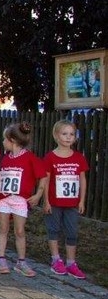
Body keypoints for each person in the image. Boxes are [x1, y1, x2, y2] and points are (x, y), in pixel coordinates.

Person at [0, 122, 46, 276]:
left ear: (12, 140)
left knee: (19, 230)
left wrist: (38, 194)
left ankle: (21, 261)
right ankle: (1, 258)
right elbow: (1, 178)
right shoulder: (6, 158)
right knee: (3, 228)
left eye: (4, 139)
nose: (2, 142)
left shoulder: (30, 158)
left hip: (20, 199)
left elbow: (43, 176)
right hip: (3, 199)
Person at [42, 120, 89, 279]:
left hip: (72, 203)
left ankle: (71, 262)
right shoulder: (50, 157)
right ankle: (56, 259)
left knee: (72, 232)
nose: (69, 137)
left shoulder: (79, 158)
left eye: (72, 134)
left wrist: (82, 200)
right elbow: (46, 180)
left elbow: (82, 179)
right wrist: (46, 201)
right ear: (56, 136)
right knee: (53, 229)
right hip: (54, 202)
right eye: (64, 134)